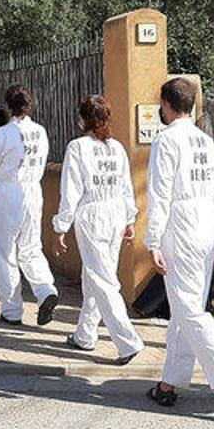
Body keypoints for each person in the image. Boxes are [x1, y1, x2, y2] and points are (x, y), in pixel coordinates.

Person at [145, 77, 214, 423]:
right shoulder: (204, 141)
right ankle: (170, 384)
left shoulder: (166, 141)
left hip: (180, 228)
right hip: (207, 227)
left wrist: (152, 241)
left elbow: (160, 194)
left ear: (166, 104)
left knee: (191, 311)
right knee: (183, 309)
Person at [52, 95, 145, 365]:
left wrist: (60, 227)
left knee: (102, 279)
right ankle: (85, 334)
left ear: (84, 119)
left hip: (92, 215)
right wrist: (129, 220)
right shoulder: (116, 148)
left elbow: (71, 191)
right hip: (115, 214)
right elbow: (126, 187)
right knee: (96, 275)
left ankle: (127, 342)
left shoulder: (78, 147)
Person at [0, 86, 59, 326]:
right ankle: (45, 290)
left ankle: (12, 310)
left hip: (8, 194)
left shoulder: (4, 133)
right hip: (34, 192)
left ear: (8, 106)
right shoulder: (40, 131)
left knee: (4, 253)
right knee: (31, 248)